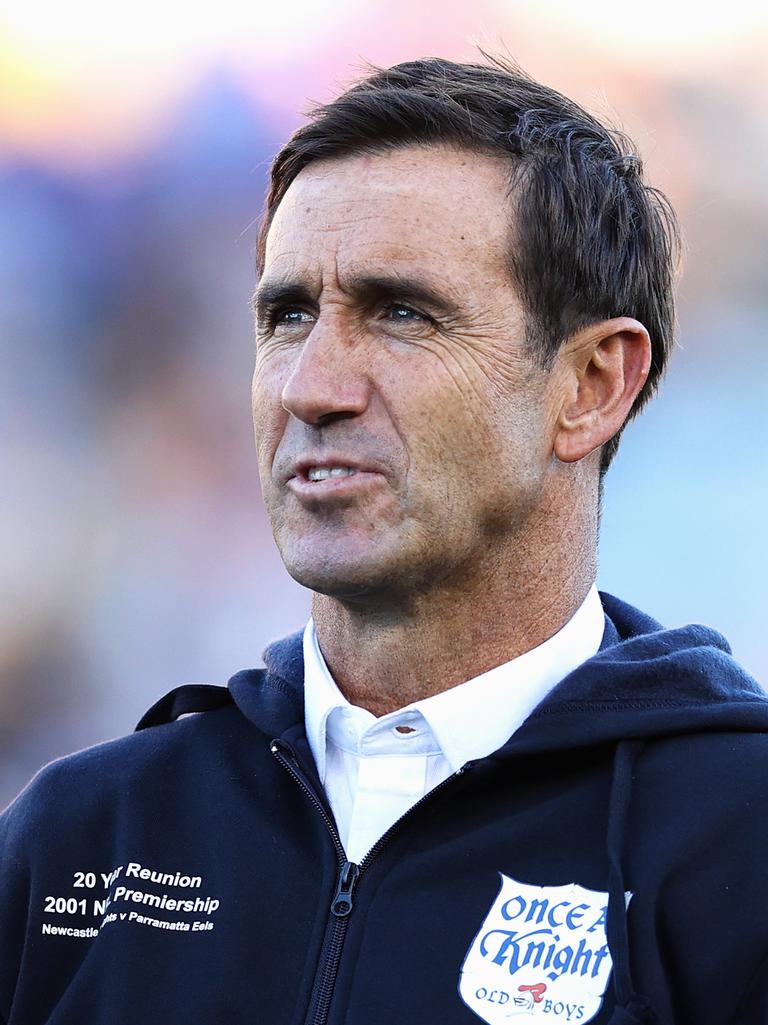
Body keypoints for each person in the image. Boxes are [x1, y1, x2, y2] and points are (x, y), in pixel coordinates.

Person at [1, 56, 766, 1025]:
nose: (311, 388)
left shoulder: (735, 842)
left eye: (401, 313)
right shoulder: (80, 841)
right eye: (287, 317)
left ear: (590, 387)